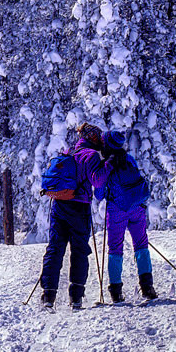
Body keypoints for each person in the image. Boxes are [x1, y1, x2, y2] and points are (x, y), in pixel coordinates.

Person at [39, 122, 111, 310]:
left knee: (55, 248)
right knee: (79, 249)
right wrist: (108, 164)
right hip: (79, 207)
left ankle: (48, 294)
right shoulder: (90, 156)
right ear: (92, 138)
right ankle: (76, 296)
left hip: (59, 204)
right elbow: (98, 180)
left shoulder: (68, 152)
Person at [99, 130, 156, 302]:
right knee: (141, 245)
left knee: (115, 248)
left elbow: (99, 194)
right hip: (137, 208)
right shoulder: (130, 159)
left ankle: (116, 292)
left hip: (117, 211)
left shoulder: (106, 165)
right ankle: (147, 287)